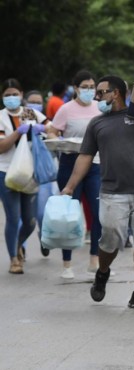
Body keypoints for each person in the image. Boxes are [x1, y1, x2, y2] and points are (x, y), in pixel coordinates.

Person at [62, 75, 134, 309]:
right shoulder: (97, 123)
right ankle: (103, 272)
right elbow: (85, 156)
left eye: (101, 92)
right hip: (112, 192)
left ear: (115, 93)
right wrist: (70, 186)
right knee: (111, 240)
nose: (97, 97)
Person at [47, 70, 103, 279]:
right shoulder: (65, 109)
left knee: (99, 213)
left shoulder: (100, 109)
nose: (89, 91)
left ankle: (94, 260)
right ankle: (67, 264)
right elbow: (53, 131)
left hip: (95, 164)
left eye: (92, 87)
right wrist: (58, 141)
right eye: (85, 87)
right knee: (69, 214)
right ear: (76, 88)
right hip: (70, 162)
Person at [0, 78, 48, 274]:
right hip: (6, 172)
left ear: (21, 95)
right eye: (7, 94)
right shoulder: (1, 117)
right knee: (13, 217)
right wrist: (19, 132)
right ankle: (13, 258)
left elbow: (52, 128)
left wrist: (42, 129)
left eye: (15, 94)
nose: (12, 98)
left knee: (30, 221)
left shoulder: (30, 113)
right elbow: (1, 147)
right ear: (3, 97)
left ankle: (18, 244)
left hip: (29, 172)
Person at [24, 90, 57, 258]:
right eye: (31, 101)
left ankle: (43, 236)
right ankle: (19, 247)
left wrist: (45, 131)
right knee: (22, 214)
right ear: (25, 102)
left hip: (42, 173)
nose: (34, 104)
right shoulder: (17, 120)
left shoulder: (45, 120)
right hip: (21, 172)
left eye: (37, 101)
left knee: (42, 212)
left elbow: (54, 134)